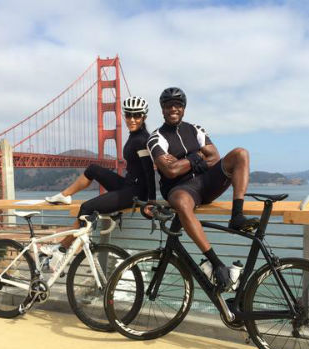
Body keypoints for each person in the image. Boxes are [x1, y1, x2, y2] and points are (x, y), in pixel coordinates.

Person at [147, 87, 259, 291]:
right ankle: (216, 263)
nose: (174, 108)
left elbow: (215, 158)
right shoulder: (156, 138)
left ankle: (237, 216)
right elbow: (170, 171)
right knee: (181, 203)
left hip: (206, 183)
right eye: (169, 105)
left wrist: (183, 161)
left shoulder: (196, 129)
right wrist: (197, 156)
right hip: (180, 189)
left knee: (240, 153)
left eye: (178, 105)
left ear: (184, 108)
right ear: (162, 109)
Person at [42, 96, 156, 254]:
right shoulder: (134, 136)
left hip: (136, 193)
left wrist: (151, 200)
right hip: (128, 185)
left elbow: (149, 171)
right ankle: (65, 195)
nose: (132, 119)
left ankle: (62, 247)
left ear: (144, 117)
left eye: (137, 115)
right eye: (129, 115)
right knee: (93, 169)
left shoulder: (142, 140)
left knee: (86, 207)